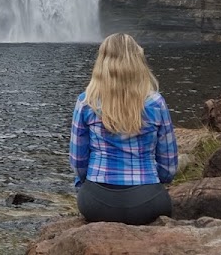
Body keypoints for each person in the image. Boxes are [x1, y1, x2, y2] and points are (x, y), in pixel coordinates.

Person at [68, 33, 177, 224]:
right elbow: (168, 166)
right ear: (137, 61)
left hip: (96, 203)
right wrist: (153, 184)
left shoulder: (86, 102)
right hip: (147, 202)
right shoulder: (156, 103)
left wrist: (87, 185)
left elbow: (78, 161)